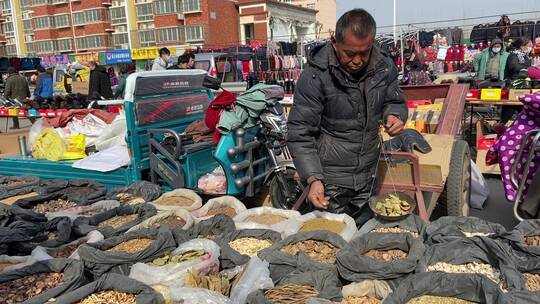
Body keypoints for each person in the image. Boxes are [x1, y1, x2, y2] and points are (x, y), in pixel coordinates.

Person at [286, 9, 407, 226]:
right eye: (350, 53)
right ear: (335, 42)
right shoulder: (316, 75)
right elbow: (300, 133)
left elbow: (394, 100)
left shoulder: (384, 66)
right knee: (330, 238)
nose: (357, 60)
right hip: (330, 180)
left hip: (368, 173)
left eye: (364, 52)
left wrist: (395, 115)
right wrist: (313, 178)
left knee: (362, 234)